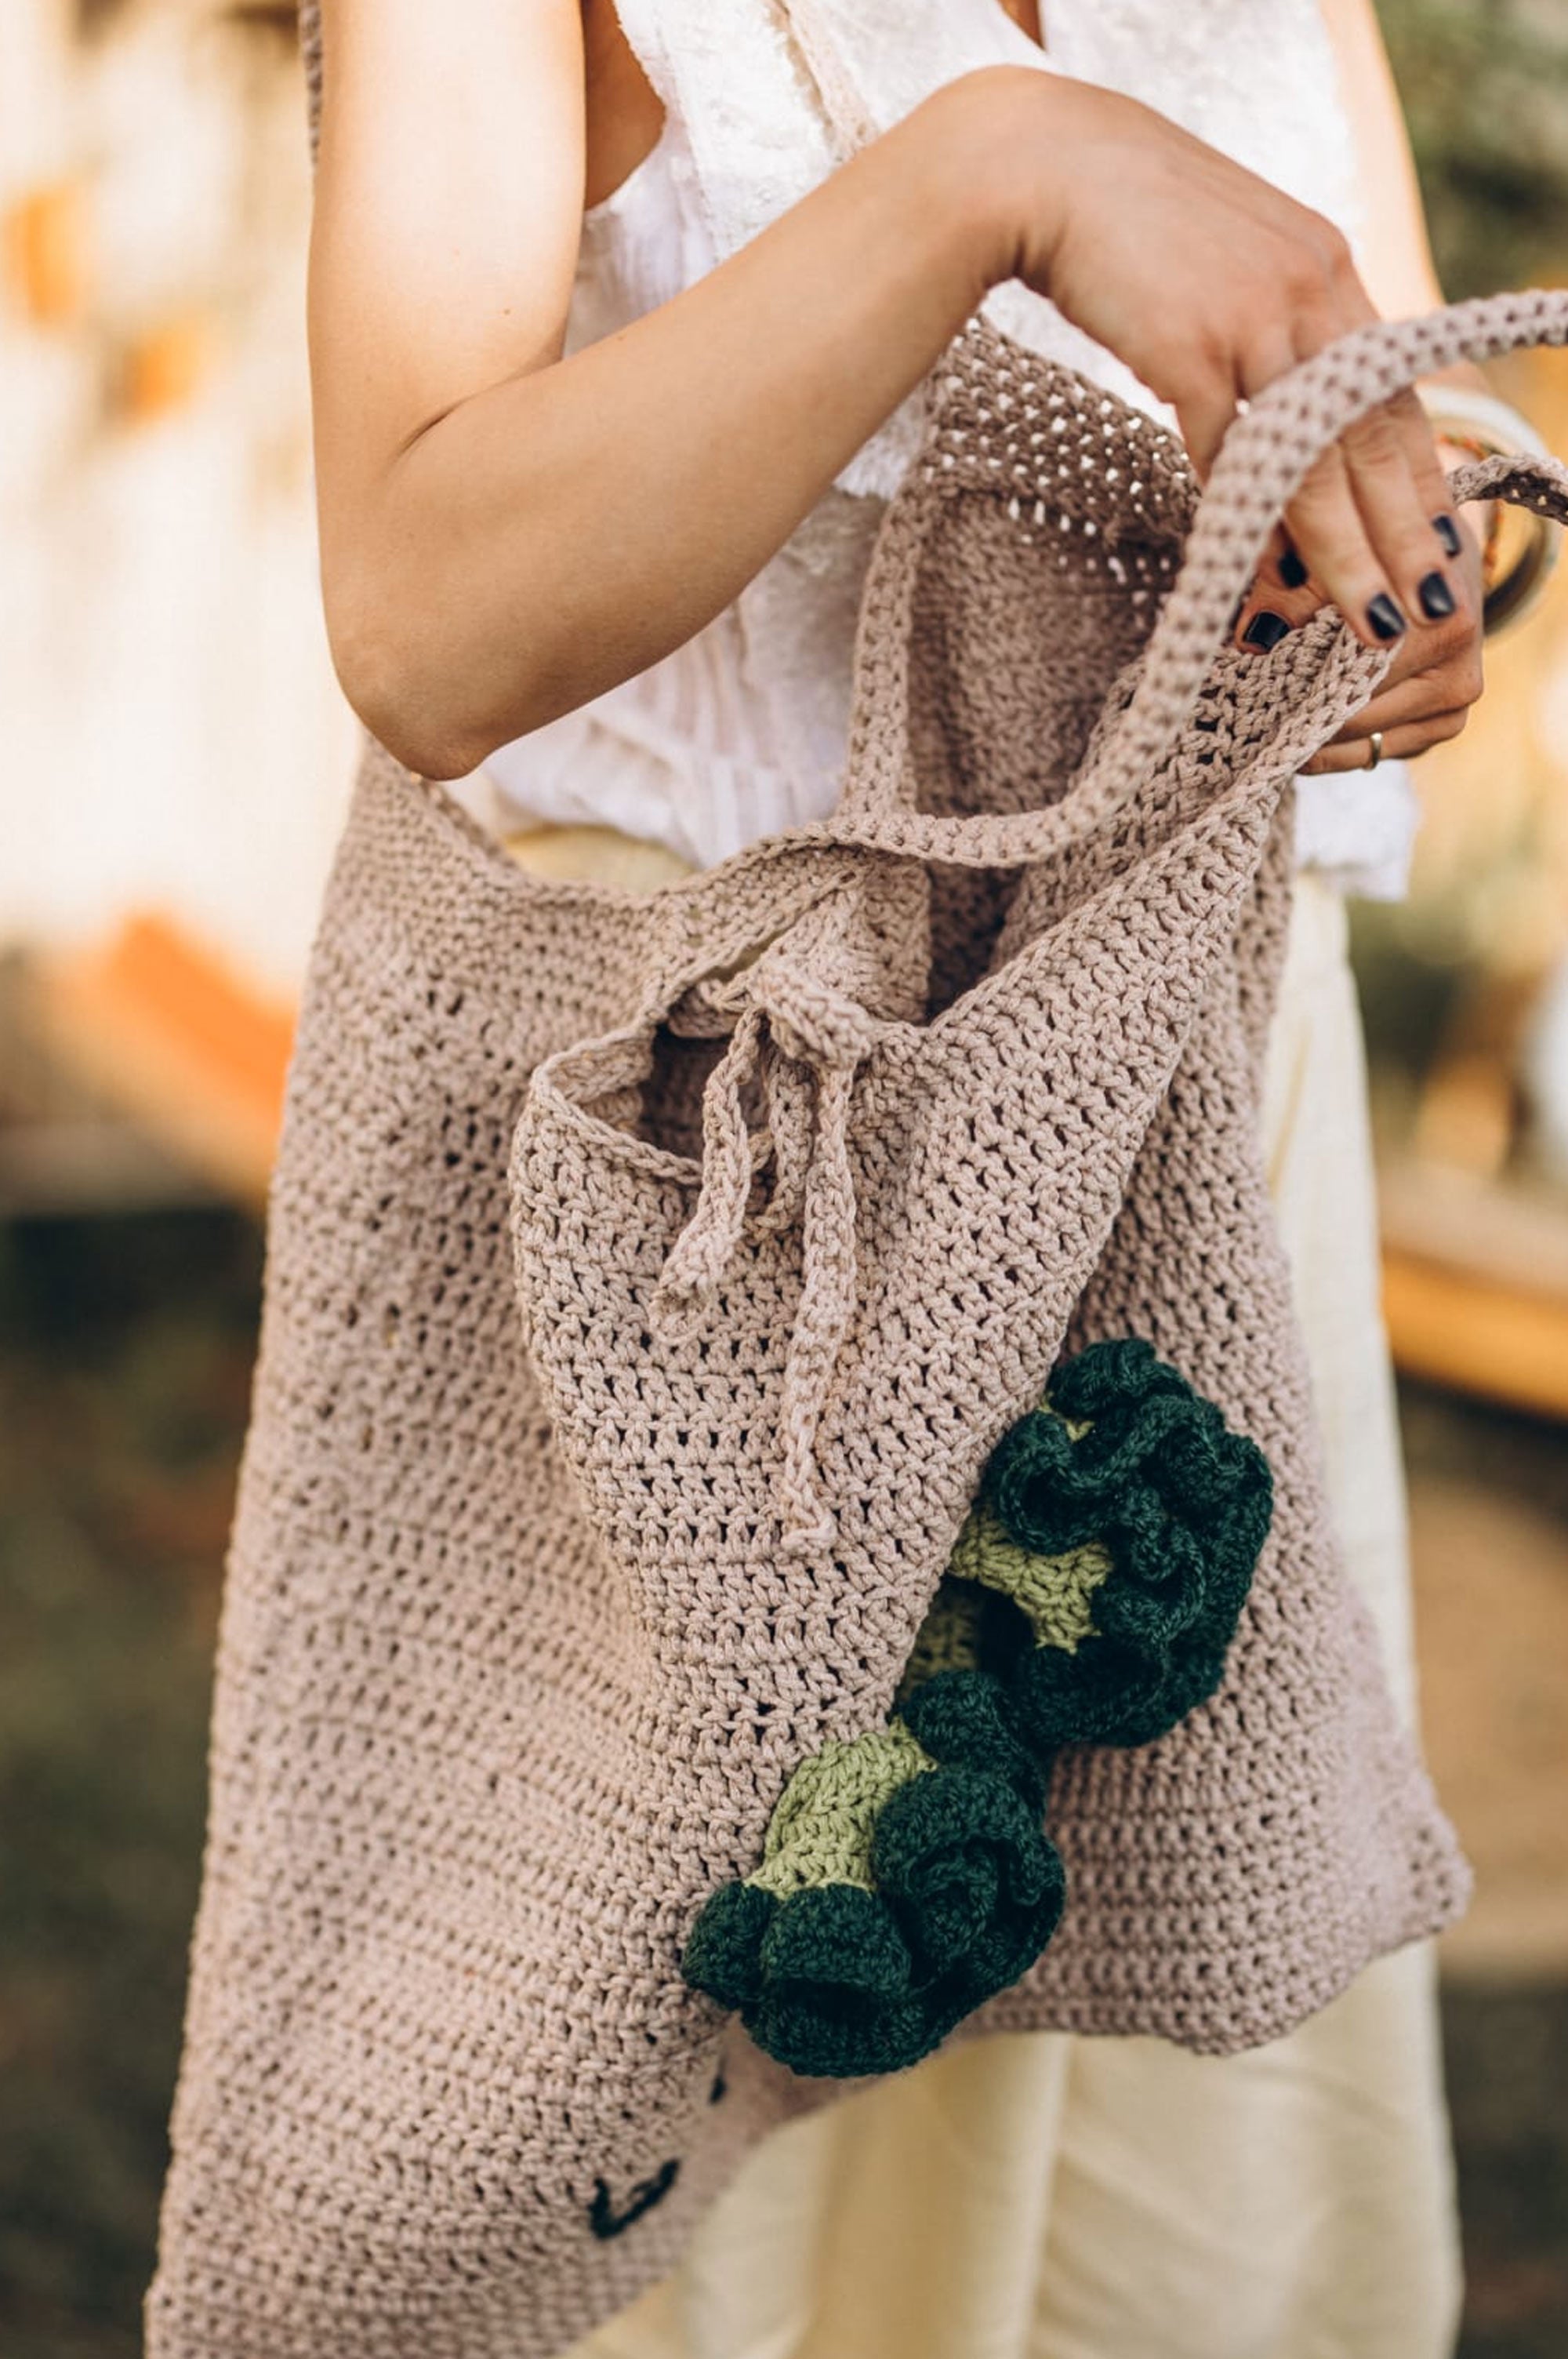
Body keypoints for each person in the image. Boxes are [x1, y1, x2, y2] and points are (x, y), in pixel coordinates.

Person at [299, 2, 1541, 2350]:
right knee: (681, 2187)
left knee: (1181, 2205)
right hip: (741, 1232)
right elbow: (424, 622)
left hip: (1194, 1169)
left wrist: (1425, 553)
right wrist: (994, 168)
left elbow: (1393, 404)